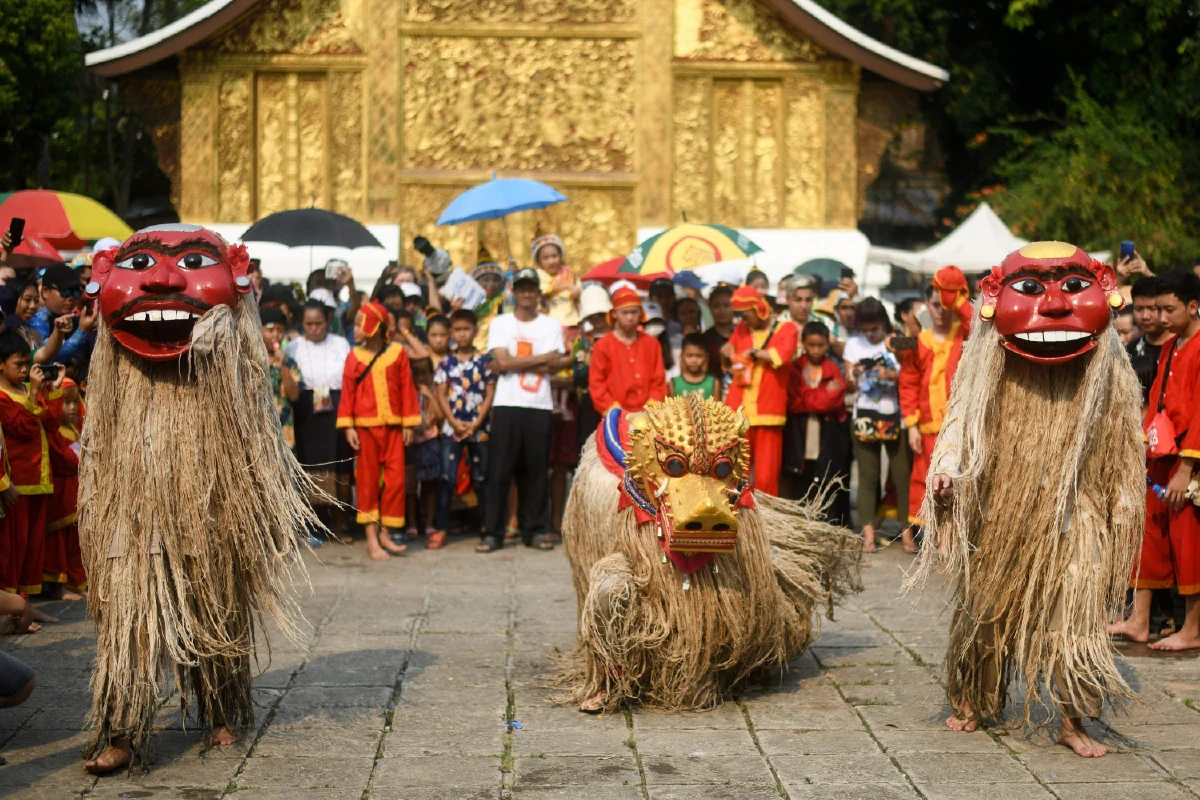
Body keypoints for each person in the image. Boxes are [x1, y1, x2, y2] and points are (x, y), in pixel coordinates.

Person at [80, 225, 320, 772]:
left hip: (209, 500)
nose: (164, 279)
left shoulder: (231, 343)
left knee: (215, 602)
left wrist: (227, 340)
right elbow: (97, 433)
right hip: (132, 503)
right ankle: (121, 728)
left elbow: (255, 405)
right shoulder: (113, 357)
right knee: (128, 619)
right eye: (141, 265)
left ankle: (222, 710)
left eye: (189, 263)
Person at [914, 241, 1143, 758]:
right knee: (986, 615)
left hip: (1075, 513)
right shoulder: (987, 360)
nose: (1057, 306)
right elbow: (960, 424)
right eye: (1035, 290)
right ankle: (975, 698)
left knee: (1077, 625)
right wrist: (947, 472)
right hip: (1002, 511)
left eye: (1072, 289)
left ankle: (1072, 718)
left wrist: (1122, 507)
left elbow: (1124, 443)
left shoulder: (1106, 367)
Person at [1110, 269, 1200, 651]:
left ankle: (1192, 630)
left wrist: (1186, 468)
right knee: (1147, 537)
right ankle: (1139, 620)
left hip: (1187, 462)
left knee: (1188, 544)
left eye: (1167, 309)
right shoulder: (1171, 346)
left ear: (1192, 306)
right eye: (1156, 309)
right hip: (1158, 455)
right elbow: (1158, 403)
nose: (1159, 319)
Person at [480, 268, 569, 553]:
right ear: (514, 292)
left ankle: (536, 528)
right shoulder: (501, 323)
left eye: (531, 288)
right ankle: (493, 531)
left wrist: (515, 362)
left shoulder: (550, 325)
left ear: (538, 292)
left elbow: (554, 364)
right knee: (499, 471)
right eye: (522, 288)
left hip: (538, 404)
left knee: (536, 470)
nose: (527, 294)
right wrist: (540, 359)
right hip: (506, 403)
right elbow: (502, 362)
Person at [338, 301, 422, 561]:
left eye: (359, 323)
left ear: (373, 326)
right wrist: (348, 425)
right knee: (367, 482)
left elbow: (407, 387)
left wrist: (408, 422)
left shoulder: (398, 353)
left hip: (394, 427)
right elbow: (348, 392)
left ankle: (386, 533)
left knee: (396, 482)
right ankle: (372, 539)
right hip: (365, 429)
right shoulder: (354, 357)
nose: (355, 328)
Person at [898, 267, 971, 551]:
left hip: (958, 423)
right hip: (927, 424)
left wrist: (955, 297)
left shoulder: (964, 335)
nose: (941, 310)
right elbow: (908, 383)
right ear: (926, 306)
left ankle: (954, 534)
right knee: (927, 479)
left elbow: (979, 324)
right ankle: (934, 537)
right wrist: (912, 425)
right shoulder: (918, 342)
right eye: (935, 304)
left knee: (958, 479)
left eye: (945, 304)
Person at [0, 333, 62, 600]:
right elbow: (22, 429)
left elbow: (52, 424)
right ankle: (14, 606)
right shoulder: (2, 396)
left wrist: (53, 389)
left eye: (27, 363)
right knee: (14, 548)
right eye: (19, 364)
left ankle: (25, 606)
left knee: (33, 548)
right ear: (1, 364)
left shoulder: (27, 389)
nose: (25, 369)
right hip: (18, 482)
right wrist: (35, 392)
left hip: (39, 477)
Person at [286, 300, 354, 541]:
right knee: (310, 463)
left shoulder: (340, 343)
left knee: (338, 463)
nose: (313, 328)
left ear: (327, 322)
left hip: (335, 405)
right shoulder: (293, 347)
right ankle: (315, 523)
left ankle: (340, 523)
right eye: (308, 324)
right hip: (307, 408)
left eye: (318, 323)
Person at [721, 285, 797, 495]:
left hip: (769, 411)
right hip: (740, 410)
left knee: (766, 476)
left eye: (746, 315)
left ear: (759, 309)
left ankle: (767, 522)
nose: (743, 321)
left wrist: (756, 353)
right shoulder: (741, 329)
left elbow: (783, 356)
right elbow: (730, 352)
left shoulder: (787, 328)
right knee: (736, 473)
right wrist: (727, 350)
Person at [843, 297, 906, 552]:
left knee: (902, 477)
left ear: (884, 324)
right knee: (868, 478)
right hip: (865, 416)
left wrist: (892, 374)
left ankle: (907, 532)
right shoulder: (853, 344)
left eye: (875, 330)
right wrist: (855, 374)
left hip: (897, 416)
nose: (870, 335)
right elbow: (848, 385)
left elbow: (913, 374)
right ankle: (868, 535)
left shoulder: (897, 340)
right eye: (865, 330)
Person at [432, 309, 496, 549]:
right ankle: (440, 528)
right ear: (451, 333)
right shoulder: (446, 362)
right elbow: (440, 394)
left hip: (479, 428)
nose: (462, 334)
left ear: (475, 331)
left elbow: (490, 392)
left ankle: (486, 527)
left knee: (482, 478)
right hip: (453, 428)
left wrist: (478, 422)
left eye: (466, 329)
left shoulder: (484, 361)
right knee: (447, 477)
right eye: (457, 330)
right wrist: (453, 422)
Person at [783, 320, 851, 524]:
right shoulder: (795, 368)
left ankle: (821, 521)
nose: (815, 350)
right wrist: (822, 393)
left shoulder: (832, 368)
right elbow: (793, 402)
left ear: (827, 345)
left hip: (827, 434)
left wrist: (807, 395)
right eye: (811, 345)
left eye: (820, 345)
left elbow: (835, 401)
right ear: (803, 343)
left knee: (824, 476)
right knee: (800, 479)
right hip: (799, 432)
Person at [589, 286, 668, 414]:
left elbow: (659, 381)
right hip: (615, 416)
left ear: (641, 313)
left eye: (634, 312)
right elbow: (597, 384)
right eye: (625, 313)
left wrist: (650, 408)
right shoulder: (602, 345)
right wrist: (614, 411)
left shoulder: (652, 344)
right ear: (614, 314)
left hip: (648, 415)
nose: (630, 318)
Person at [42, 377, 86, 600]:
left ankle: (76, 583)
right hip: (60, 494)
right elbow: (64, 460)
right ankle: (59, 588)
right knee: (58, 541)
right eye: (65, 402)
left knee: (74, 542)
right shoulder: (54, 432)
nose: (71, 408)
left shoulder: (74, 430)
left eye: (73, 402)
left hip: (74, 492)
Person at [405, 357, 443, 544]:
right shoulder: (407, 391)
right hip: (411, 442)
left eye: (424, 373)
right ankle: (412, 522)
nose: (420, 377)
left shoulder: (434, 390)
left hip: (430, 441)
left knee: (430, 485)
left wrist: (428, 394)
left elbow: (440, 414)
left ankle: (428, 522)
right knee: (410, 487)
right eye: (416, 373)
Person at [29, 265, 96, 368]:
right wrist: (82, 331)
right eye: (65, 291)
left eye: (75, 292)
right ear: (45, 291)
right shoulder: (36, 322)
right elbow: (50, 357)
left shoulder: (78, 320)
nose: (71, 298)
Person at [1127, 276, 1170, 408]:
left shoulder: (1180, 347)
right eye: (1139, 309)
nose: (1145, 316)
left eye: (1152, 309)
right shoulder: (1128, 353)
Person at [532, 234, 581, 330]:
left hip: (573, 321)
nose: (551, 261)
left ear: (561, 256)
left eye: (554, 256)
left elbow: (579, 289)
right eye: (545, 258)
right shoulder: (539, 275)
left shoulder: (569, 273)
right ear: (539, 261)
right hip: (551, 322)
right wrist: (566, 286)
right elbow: (544, 291)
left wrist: (577, 292)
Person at [670, 333, 720, 401]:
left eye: (699, 356)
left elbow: (718, 409)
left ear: (706, 357)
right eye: (689, 355)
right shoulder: (674, 383)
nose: (694, 360)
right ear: (682, 355)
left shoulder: (713, 383)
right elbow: (670, 409)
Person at [704, 285, 735, 380]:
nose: (722, 311)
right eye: (716, 306)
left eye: (726, 305)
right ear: (710, 308)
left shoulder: (742, 335)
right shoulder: (705, 339)